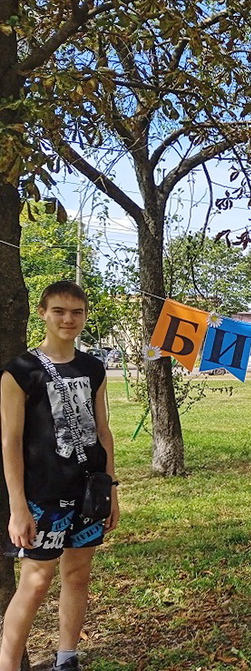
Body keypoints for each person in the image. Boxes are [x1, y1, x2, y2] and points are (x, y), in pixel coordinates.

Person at [0, 281, 119, 671]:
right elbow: (10, 442)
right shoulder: (20, 371)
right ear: (43, 313)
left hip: (87, 491)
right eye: (59, 311)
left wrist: (112, 490)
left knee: (78, 574)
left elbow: (103, 431)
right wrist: (18, 507)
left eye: (77, 312)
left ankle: (67, 658)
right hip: (42, 495)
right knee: (34, 583)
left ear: (84, 316)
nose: (69, 319)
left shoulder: (93, 367)